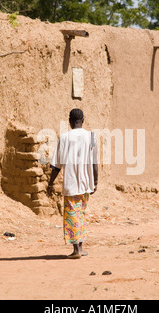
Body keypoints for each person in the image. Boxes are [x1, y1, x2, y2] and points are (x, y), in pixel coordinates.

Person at [47, 108, 98, 259]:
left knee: (72, 216)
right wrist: (95, 181)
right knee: (80, 215)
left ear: (70, 121)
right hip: (85, 184)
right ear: (83, 120)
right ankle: (80, 248)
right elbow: (95, 163)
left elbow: (56, 165)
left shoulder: (64, 138)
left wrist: (50, 183)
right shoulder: (91, 136)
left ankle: (76, 250)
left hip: (71, 184)